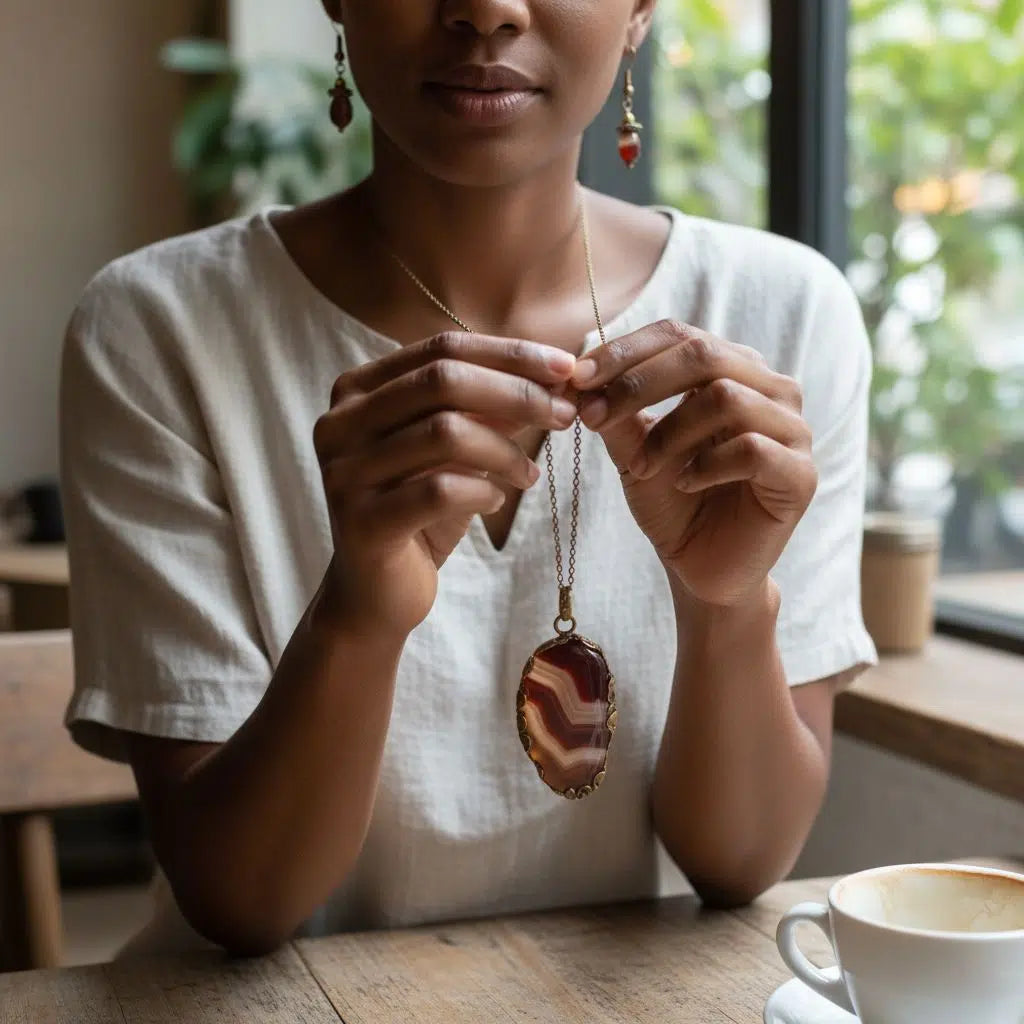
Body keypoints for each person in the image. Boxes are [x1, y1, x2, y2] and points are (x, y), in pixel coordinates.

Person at [60, 0, 877, 958]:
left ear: (643, 9)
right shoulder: (161, 329)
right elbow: (241, 900)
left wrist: (726, 604)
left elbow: (739, 862)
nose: (487, 9)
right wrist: (357, 615)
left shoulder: (776, 317)